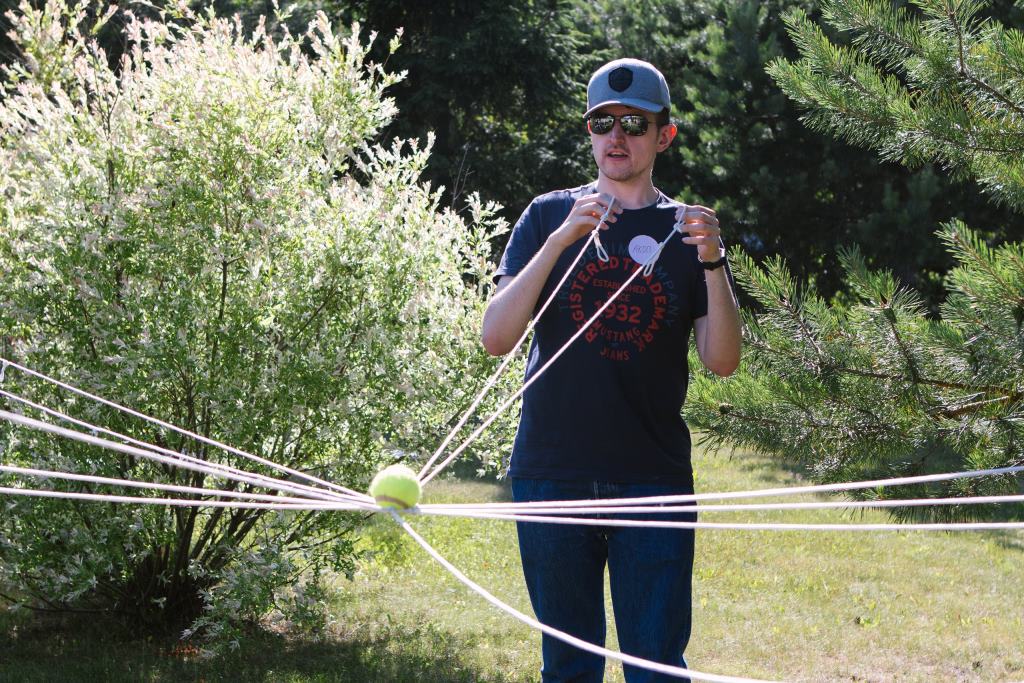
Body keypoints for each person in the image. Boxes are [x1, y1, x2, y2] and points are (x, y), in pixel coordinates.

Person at [480, 58, 742, 682]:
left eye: (634, 123)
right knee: (568, 667)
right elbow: (496, 337)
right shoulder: (547, 215)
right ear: (590, 131)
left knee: (655, 667)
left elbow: (722, 362)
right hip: (552, 474)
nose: (616, 136)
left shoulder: (688, 233)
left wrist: (714, 261)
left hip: (651, 480)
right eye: (603, 123)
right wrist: (557, 244)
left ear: (664, 135)